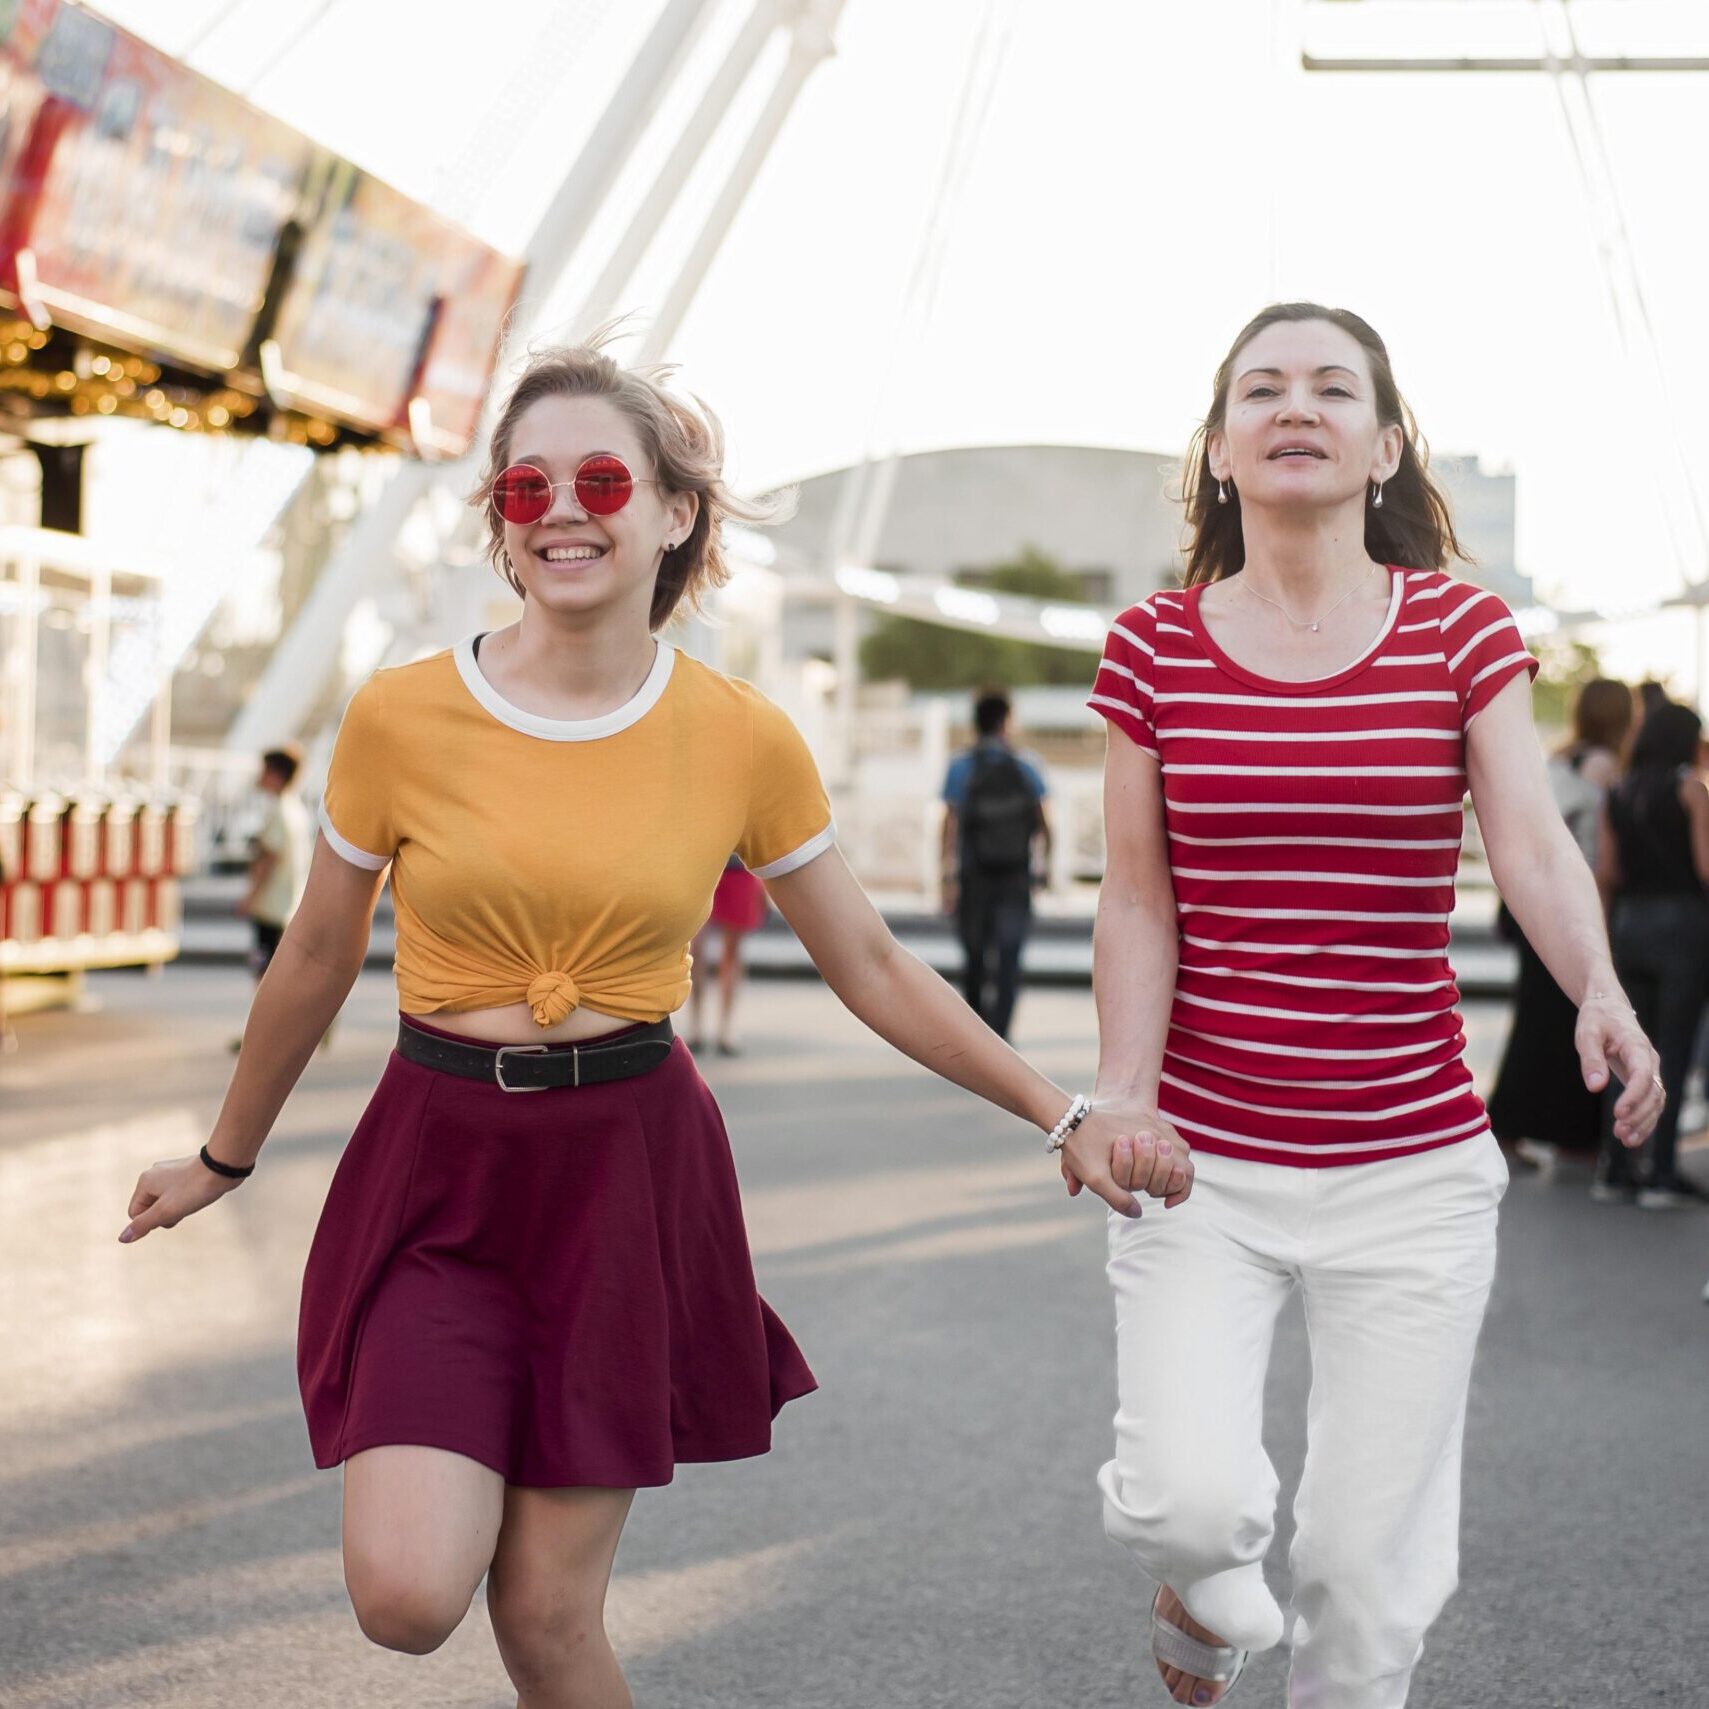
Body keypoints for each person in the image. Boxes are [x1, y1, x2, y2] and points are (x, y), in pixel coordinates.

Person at [117, 335, 1184, 1709]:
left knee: (550, 1617)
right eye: (526, 487)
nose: (562, 508)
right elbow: (318, 951)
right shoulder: (402, 715)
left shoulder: (740, 734)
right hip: (441, 1172)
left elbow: (865, 958)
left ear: (675, 513)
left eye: (603, 479)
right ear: (501, 521)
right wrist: (224, 1156)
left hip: (623, 1179)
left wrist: (1067, 1110)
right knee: (404, 1594)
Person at [1086, 302, 1663, 1707]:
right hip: (1200, 1164)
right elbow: (1137, 895)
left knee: (1360, 1574)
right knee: (1188, 1501)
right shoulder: (1153, 645)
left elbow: (1528, 843)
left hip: (1408, 1166)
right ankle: (1198, 1592)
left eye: (1333, 389)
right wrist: (1122, 1093)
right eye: (1262, 390)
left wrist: (1602, 989)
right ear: (1219, 451)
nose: (1298, 406)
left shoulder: (1461, 629)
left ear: (1383, 445)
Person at [1486, 677, 1633, 1171]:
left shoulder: (1559, 757)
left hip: (1533, 907)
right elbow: (1602, 847)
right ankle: (1568, 1133)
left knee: (1536, 1021)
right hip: (1573, 909)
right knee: (1571, 1019)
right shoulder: (1604, 767)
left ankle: (1511, 1123)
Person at [1592, 700, 1709, 1208]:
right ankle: (1661, 1174)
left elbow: (1608, 872)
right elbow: (1707, 868)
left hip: (1628, 926)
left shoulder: (1617, 791)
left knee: (1625, 1049)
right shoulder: (1691, 788)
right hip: (1683, 926)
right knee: (1675, 1050)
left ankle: (1616, 1169)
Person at [940, 688, 1050, 1040]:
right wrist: (1043, 868)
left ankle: (977, 1039)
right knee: (1009, 956)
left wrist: (946, 876)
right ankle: (1001, 1034)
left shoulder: (961, 766)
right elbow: (1044, 823)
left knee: (974, 954)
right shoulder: (1026, 765)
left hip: (975, 874)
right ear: (1006, 721)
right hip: (1015, 876)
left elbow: (949, 824)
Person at [231, 746, 313, 1051]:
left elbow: (269, 857)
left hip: (271, 906)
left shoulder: (277, 811)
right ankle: (292, 1028)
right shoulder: (295, 809)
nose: (259, 776)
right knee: (277, 972)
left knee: (264, 973)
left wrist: (249, 897)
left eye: (264, 770)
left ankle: (263, 1036)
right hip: (287, 903)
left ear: (276, 775)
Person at [687, 854, 766, 1054]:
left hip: (741, 869)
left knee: (732, 954)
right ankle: (696, 1026)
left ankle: (726, 1029)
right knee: (695, 951)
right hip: (703, 866)